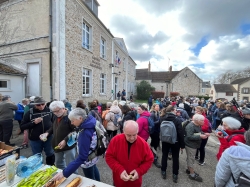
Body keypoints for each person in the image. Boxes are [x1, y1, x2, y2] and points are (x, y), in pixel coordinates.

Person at [53, 108, 100, 181]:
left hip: (88, 160)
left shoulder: (84, 133)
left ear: (80, 118)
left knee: (91, 180)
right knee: (94, 169)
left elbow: (82, 157)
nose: (71, 123)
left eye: (72, 120)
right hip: (94, 155)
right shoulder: (91, 121)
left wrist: (64, 173)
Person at [105, 120, 154, 187]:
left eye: (134, 134)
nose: (132, 138)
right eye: (128, 135)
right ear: (123, 131)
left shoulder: (143, 144)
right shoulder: (115, 140)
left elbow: (149, 160)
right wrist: (119, 170)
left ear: (137, 131)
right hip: (118, 181)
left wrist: (139, 171)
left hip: (135, 183)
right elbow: (109, 156)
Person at [40, 101, 76, 171]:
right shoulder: (55, 116)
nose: (56, 113)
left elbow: (75, 131)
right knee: (59, 164)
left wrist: (65, 140)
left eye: (57, 111)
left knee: (71, 166)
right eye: (54, 112)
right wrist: (47, 133)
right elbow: (53, 127)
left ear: (63, 108)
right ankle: (62, 177)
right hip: (57, 145)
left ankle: (73, 179)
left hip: (69, 146)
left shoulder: (70, 116)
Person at [20, 96, 55, 165]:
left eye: (43, 104)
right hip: (35, 138)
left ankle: (50, 167)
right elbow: (22, 126)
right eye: (38, 105)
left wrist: (49, 132)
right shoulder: (30, 113)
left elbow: (54, 124)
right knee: (37, 156)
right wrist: (34, 123)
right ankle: (38, 169)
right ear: (34, 104)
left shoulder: (50, 111)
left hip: (48, 137)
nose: (41, 106)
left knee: (50, 153)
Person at [160, 106, 185, 183]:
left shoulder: (162, 118)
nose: (176, 111)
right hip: (175, 141)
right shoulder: (177, 120)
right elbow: (180, 133)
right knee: (175, 157)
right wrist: (182, 145)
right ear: (172, 110)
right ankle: (175, 174)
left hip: (165, 140)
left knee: (164, 155)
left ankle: (163, 171)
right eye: (175, 110)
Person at [184, 114, 209, 182]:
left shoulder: (197, 125)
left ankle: (189, 170)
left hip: (194, 145)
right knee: (191, 159)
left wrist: (204, 133)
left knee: (190, 158)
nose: (204, 121)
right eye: (202, 120)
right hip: (190, 145)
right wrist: (200, 136)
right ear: (197, 120)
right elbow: (189, 136)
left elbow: (198, 132)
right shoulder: (190, 126)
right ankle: (192, 174)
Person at [149, 104, 161, 168]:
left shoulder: (158, 113)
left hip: (157, 131)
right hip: (154, 131)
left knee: (155, 143)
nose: (158, 107)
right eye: (157, 106)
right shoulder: (152, 114)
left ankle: (153, 154)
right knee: (154, 143)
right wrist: (159, 121)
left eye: (158, 106)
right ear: (154, 107)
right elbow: (152, 123)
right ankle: (153, 157)